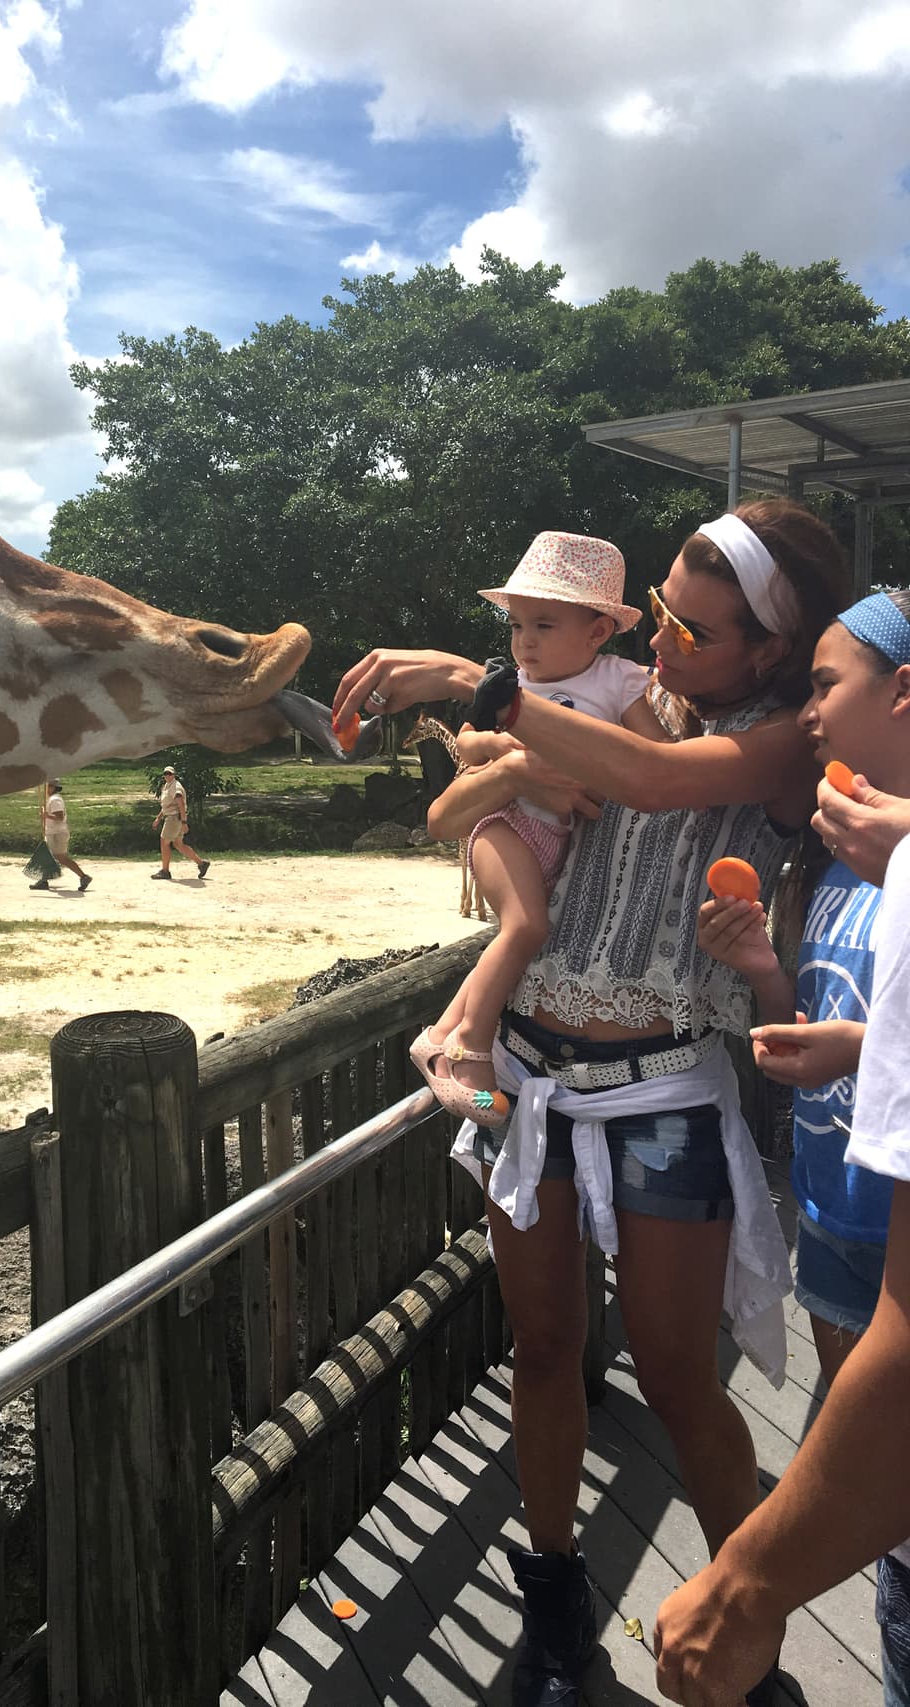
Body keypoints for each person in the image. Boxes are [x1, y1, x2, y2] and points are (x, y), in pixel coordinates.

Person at [334, 499, 848, 1707]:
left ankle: (745, 1618)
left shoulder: (781, 738)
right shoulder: (616, 691)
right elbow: (467, 810)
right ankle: (555, 1600)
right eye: (657, 614)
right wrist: (486, 759)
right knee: (545, 1347)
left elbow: (659, 785)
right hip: (532, 1079)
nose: (664, 643)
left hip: (662, 1082)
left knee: (677, 1374)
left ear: (768, 653)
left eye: (692, 628)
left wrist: (474, 685)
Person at [654, 593, 910, 1707]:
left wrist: (744, 1586)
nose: (803, 712)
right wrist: (763, 969)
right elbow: (830, 1008)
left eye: (822, 684)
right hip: (837, 1216)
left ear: (901, 692)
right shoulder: (843, 856)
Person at [411, 532, 668, 1124]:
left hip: (560, 839)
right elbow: (471, 741)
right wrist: (505, 741)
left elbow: (655, 755)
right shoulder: (510, 685)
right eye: (517, 625)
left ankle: (440, 1036)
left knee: (523, 938)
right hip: (507, 823)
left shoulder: (618, 681)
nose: (524, 640)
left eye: (543, 625)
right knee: (526, 925)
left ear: (598, 631)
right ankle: (472, 1046)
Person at [29, 780, 92, 893]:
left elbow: (60, 817)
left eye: (48, 786)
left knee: (46, 855)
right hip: (58, 832)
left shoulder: (55, 800)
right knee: (61, 858)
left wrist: (46, 815)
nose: (45, 789)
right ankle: (83, 877)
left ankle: (43, 882)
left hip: (55, 833)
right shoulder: (53, 799)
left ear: (53, 787)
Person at [151, 764, 211, 881]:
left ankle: (165, 871)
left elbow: (181, 804)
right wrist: (158, 818)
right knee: (178, 844)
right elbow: (167, 805)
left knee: (164, 842)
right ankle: (201, 864)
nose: (167, 775)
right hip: (172, 816)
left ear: (174, 775)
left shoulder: (176, 787)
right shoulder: (167, 786)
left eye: (170, 773)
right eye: (165, 774)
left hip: (174, 818)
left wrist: (184, 822)